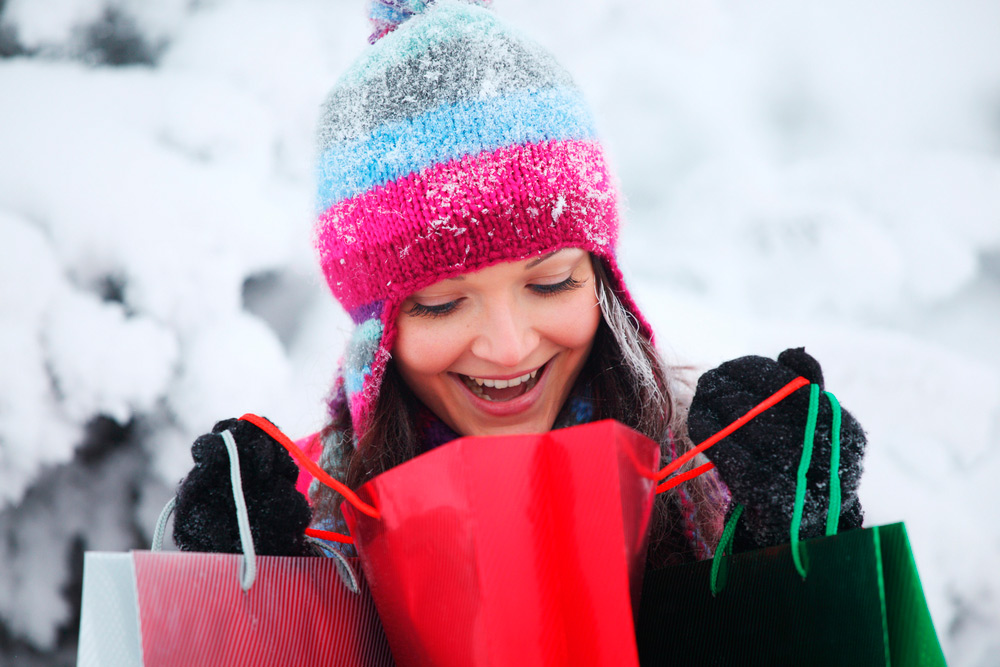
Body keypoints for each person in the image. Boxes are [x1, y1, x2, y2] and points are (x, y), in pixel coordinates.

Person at [171, 0, 866, 569]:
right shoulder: (302, 521)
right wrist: (242, 601)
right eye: (443, 302)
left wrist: (795, 550)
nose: (508, 347)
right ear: (375, 330)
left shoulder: (709, 484)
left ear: (603, 283)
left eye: (552, 283)